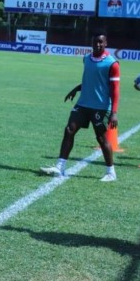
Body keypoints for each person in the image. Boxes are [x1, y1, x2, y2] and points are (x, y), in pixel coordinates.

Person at [40, 32, 120, 181]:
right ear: (91, 43)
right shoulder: (86, 59)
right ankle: (60, 167)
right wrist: (77, 89)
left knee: (101, 138)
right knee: (69, 130)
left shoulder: (112, 63)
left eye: (101, 42)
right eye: (95, 42)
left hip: (101, 107)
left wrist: (114, 112)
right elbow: (92, 81)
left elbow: (115, 89)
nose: (98, 45)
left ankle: (110, 172)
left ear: (106, 43)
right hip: (83, 104)